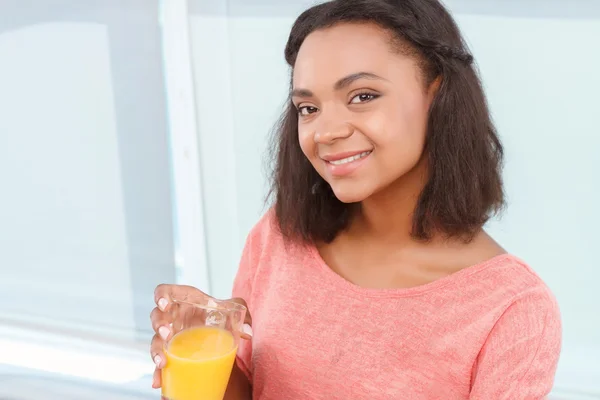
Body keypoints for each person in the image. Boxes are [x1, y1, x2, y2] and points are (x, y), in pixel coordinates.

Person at [150, 0, 562, 398]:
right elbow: (248, 385)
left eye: (362, 96)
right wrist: (195, 360)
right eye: (308, 107)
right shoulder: (279, 235)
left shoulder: (511, 309)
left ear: (436, 95)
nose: (324, 131)